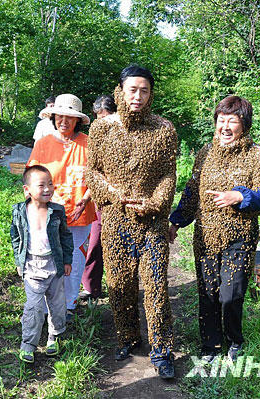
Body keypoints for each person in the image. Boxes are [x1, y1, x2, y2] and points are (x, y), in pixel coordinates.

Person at [168, 95, 260, 362]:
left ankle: (234, 340)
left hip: (239, 237)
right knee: (207, 294)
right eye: (221, 120)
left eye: (233, 121)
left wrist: (239, 197)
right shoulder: (205, 153)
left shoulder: (259, 155)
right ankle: (211, 346)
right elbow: (192, 192)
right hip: (205, 235)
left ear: (244, 124)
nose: (225, 126)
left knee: (231, 295)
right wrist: (176, 221)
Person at [86, 65, 177, 379]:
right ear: (120, 92)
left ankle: (162, 350)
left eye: (145, 90)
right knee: (120, 286)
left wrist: (155, 203)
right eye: (132, 89)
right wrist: (113, 192)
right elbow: (92, 172)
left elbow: (168, 175)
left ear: (151, 94)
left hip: (152, 222)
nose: (138, 96)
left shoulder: (163, 129)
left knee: (155, 288)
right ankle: (127, 337)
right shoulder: (102, 129)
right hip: (114, 219)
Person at [27, 94, 96, 321]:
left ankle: (68, 306)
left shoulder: (89, 144)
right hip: (49, 214)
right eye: (60, 116)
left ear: (77, 120)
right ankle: (48, 307)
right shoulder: (43, 144)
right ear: (53, 116)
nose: (64, 121)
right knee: (49, 260)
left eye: (69, 117)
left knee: (74, 261)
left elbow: (99, 177)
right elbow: (32, 177)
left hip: (80, 213)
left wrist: (85, 199)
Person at [10, 165, 73, 364]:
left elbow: (65, 236)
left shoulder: (57, 211)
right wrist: (19, 260)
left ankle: (54, 337)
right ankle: (28, 344)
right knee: (33, 307)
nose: (48, 189)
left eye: (50, 184)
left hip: (54, 264)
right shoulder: (20, 211)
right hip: (31, 265)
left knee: (56, 305)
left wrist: (67, 260)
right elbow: (16, 237)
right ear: (27, 190)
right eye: (41, 185)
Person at [79, 94, 117, 301]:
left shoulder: (125, 136)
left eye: (107, 116)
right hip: (98, 199)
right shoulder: (93, 139)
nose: (104, 122)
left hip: (121, 201)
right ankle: (91, 287)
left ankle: (120, 288)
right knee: (94, 244)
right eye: (99, 117)